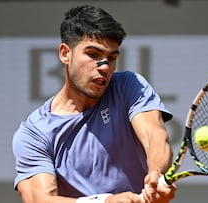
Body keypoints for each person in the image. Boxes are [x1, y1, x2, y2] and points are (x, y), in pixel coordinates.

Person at [12, 5, 176, 203]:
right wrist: (104, 202)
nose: (104, 66)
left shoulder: (128, 86)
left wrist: (156, 174)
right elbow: (39, 199)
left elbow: (155, 135)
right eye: (94, 55)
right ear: (65, 53)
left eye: (111, 58)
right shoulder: (34, 133)